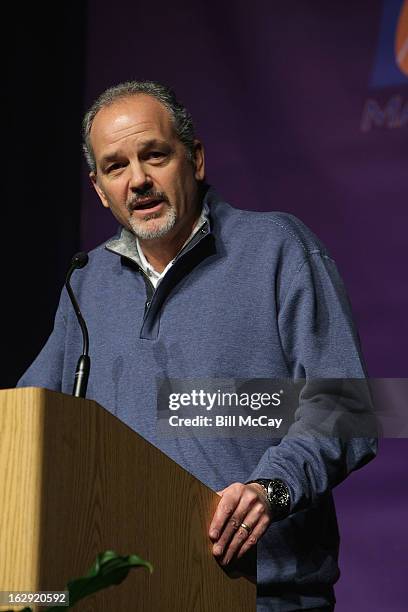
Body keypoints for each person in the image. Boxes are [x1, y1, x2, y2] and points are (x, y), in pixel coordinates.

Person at [18, 80, 376, 611]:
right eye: (116, 167)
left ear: (196, 158)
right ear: (99, 189)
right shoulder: (86, 281)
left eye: (154, 155)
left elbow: (345, 408)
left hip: (262, 596)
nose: (138, 179)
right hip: (118, 595)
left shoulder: (277, 248)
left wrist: (270, 490)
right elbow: (28, 421)